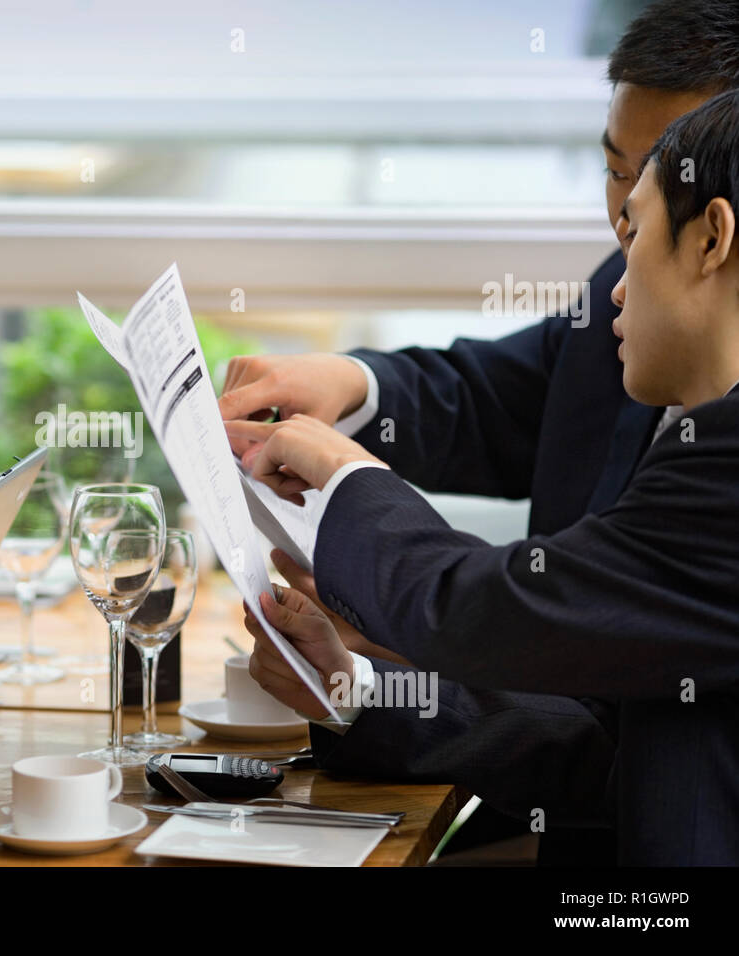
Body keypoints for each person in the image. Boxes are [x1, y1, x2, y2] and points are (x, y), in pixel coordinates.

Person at [218, 0, 739, 864]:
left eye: (647, 201)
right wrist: (356, 686)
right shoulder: (635, 293)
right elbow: (616, 741)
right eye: (616, 176)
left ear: (713, 227)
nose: (618, 239)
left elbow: (494, 609)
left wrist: (347, 483)